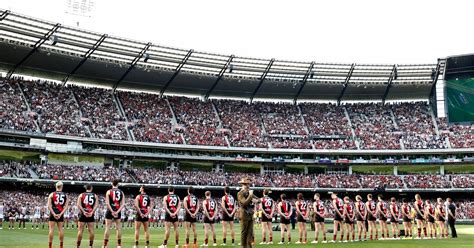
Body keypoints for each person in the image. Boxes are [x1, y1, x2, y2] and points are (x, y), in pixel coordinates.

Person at [103, 179, 125, 248]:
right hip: (117, 210)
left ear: (112, 184)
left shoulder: (109, 192)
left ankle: (105, 245)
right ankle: (119, 245)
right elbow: (123, 203)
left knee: (107, 227)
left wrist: (112, 211)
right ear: (118, 184)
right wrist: (117, 211)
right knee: (118, 228)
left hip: (110, 210)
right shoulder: (121, 192)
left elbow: (107, 203)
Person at [77, 184, 99, 248]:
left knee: (80, 230)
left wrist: (83, 211)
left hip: (83, 214)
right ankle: (90, 245)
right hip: (90, 214)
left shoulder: (81, 195)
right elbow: (96, 205)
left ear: (86, 188)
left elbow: (78, 204)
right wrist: (92, 212)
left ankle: (78, 246)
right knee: (91, 230)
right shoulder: (95, 195)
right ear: (91, 188)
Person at [48, 181, 69, 248]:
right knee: (61, 229)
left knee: (51, 229)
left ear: (56, 186)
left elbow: (49, 206)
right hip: (60, 212)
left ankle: (50, 246)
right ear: (62, 187)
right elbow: (66, 206)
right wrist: (60, 214)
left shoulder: (52, 194)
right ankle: (61, 246)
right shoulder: (65, 195)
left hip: (53, 212)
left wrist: (54, 214)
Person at [237, 177, 256, 248]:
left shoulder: (249, 192)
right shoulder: (240, 193)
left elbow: (258, 200)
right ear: (243, 184)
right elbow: (244, 203)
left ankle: (249, 246)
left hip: (250, 214)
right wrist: (251, 196)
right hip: (244, 214)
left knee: (250, 233)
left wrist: (256, 200)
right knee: (244, 232)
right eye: (246, 184)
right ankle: (242, 246)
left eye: (248, 184)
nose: (248, 186)